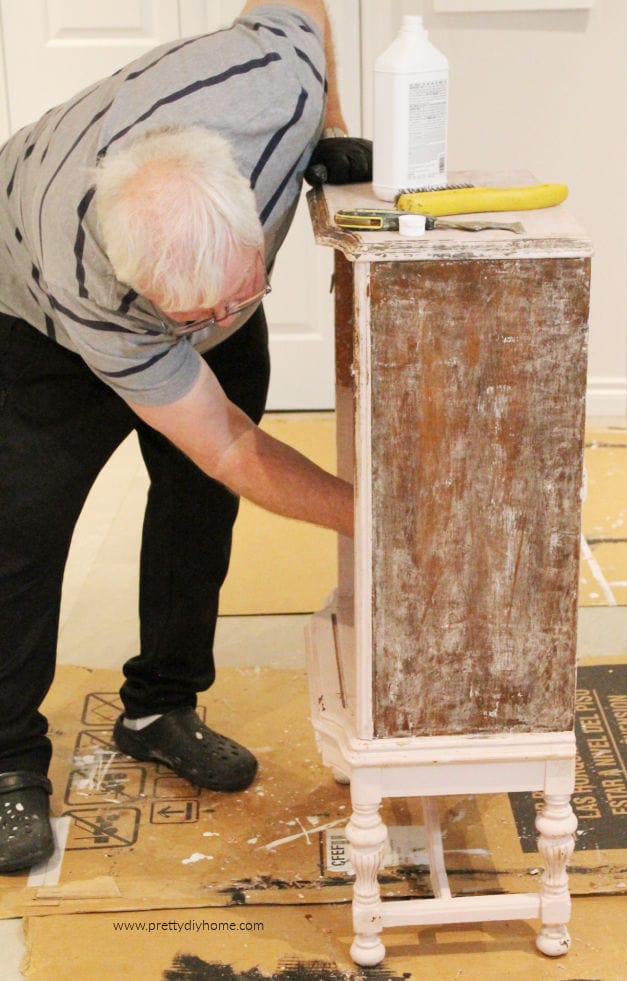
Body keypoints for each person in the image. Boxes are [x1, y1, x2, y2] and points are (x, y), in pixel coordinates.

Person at [0, 0, 371, 873]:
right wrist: (376, 516)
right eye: (194, 317)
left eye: (236, 298)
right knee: (22, 525)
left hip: (179, 253)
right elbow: (230, 442)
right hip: (27, 307)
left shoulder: (271, 89)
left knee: (199, 508)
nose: (217, 322)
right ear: (143, 293)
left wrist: (334, 120)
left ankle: (160, 707)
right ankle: (9, 758)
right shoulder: (89, 287)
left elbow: (299, 6)